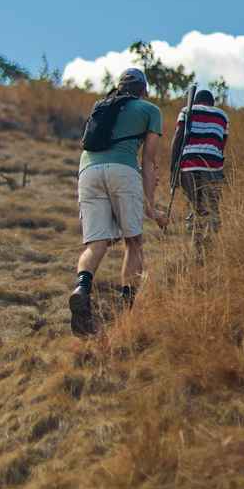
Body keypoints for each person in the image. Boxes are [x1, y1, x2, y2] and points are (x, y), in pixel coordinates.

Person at [69, 67, 166, 336]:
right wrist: (150, 204)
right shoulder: (150, 110)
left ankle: (82, 287)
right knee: (133, 242)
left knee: (96, 243)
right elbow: (148, 161)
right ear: (143, 90)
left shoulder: (101, 107)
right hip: (123, 170)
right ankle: (127, 308)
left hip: (87, 173)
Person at [170, 88, 229, 246]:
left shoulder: (187, 110)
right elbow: (221, 145)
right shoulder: (223, 115)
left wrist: (173, 170)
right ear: (212, 103)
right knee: (212, 208)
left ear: (195, 101)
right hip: (213, 166)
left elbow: (178, 138)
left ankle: (195, 245)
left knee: (194, 206)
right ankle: (209, 244)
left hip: (189, 165)